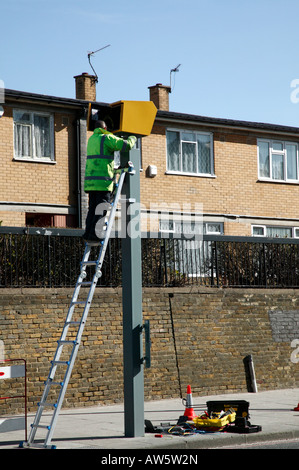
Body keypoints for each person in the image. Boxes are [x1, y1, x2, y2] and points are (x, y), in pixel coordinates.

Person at [82, 120, 137, 245]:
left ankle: (88, 234)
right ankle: (95, 235)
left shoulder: (92, 139)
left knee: (92, 209)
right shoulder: (106, 138)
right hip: (103, 182)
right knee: (101, 209)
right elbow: (126, 145)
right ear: (105, 127)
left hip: (91, 182)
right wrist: (133, 138)